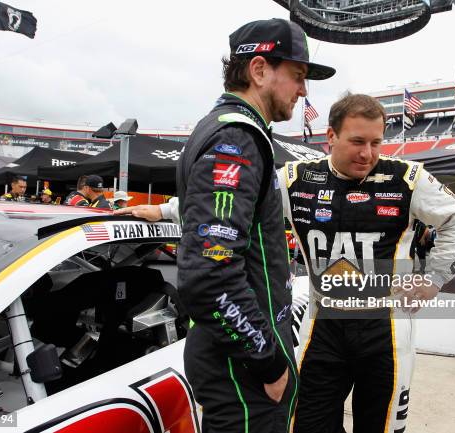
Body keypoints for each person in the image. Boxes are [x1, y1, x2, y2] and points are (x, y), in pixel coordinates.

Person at [118, 93, 455, 433]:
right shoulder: (298, 178)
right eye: (357, 141)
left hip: (386, 326)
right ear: (330, 136)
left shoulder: (408, 177)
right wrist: (164, 209)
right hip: (323, 323)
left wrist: (433, 279)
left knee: (380, 424)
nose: (368, 154)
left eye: (377, 143)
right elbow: (233, 199)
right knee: (305, 423)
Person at [124, 18, 334, 433]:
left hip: (234, 359)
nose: (304, 90)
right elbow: (209, 274)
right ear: (259, 70)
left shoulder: (229, 130)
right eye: (297, 75)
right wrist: (269, 361)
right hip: (242, 368)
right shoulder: (236, 138)